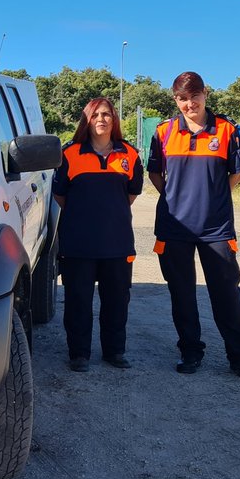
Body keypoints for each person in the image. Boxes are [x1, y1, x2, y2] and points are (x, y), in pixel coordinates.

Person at [146, 71, 240, 380]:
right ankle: (190, 352)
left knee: (226, 294)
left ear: (205, 94)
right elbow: (155, 173)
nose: (189, 103)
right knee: (182, 294)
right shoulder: (163, 132)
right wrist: (175, 197)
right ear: (176, 100)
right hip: (174, 228)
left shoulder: (226, 130)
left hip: (216, 229)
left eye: (194, 96)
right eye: (182, 98)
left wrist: (212, 199)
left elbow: (236, 174)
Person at [52, 97, 143, 372]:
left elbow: (131, 194)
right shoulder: (69, 154)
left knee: (117, 301)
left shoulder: (130, 154)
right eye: (95, 115)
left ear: (114, 119)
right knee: (78, 301)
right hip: (78, 243)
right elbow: (60, 195)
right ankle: (79, 354)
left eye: (106, 114)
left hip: (117, 243)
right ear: (87, 120)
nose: (101, 119)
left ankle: (114, 352)